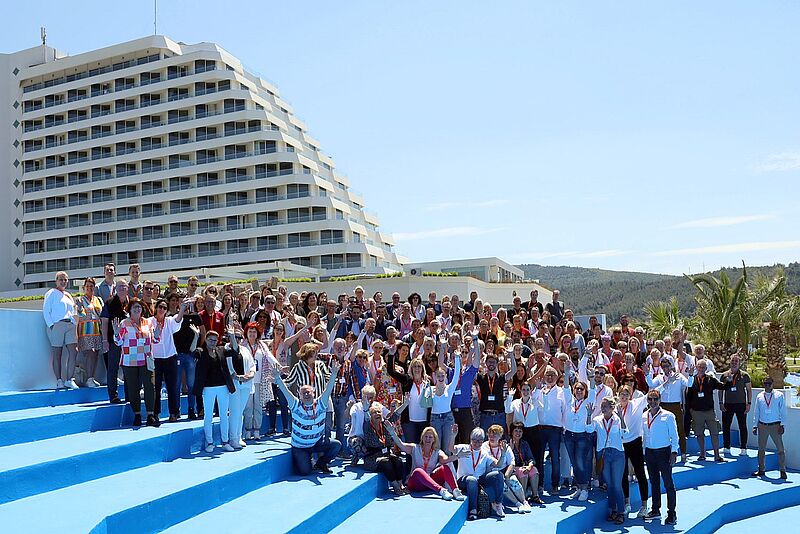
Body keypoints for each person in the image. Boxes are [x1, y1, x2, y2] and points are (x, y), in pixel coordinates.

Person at [273, 358, 342, 475]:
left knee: (336, 445)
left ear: (313, 393)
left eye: (308, 392)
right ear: (299, 396)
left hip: (316, 443)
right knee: (305, 472)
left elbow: (328, 388)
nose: (306, 394)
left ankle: (321, 462)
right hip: (300, 447)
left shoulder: (321, 403)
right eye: (303, 393)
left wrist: (334, 373)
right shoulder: (295, 405)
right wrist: (278, 378)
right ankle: (304, 460)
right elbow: (285, 391)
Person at [111, 298, 158, 427]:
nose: (137, 309)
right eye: (135, 307)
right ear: (130, 310)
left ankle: (150, 414)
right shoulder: (124, 323)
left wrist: (158, 333)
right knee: (133, 388)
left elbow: (154, 340)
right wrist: (116, 333)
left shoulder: (148, 323)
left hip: (146, 359)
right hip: (130, 360)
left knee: (150, 386)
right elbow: (118, 342)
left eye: (139, 307)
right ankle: (137, 414)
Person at [388, 424, 465, 500]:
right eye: (426, 436)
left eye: (430, 437)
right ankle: (442, 490)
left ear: (434, 439)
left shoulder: (437, 452)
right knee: (418, 471)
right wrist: (392, 432)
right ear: (422, 438)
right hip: (416, 483)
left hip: (430, 482)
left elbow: (445, 460)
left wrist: (457, 456)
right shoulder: (414, 448)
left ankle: (456, 491)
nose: (428, 439)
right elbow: (401, 445)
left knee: (445, 467)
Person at [586, 396, 629, 525]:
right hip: (603, 454)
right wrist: (589, 415)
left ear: (612, 407)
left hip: (617, 454)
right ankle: (613, 510)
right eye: (602, 406)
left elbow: (625, 433)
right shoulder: (597, 419)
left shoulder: (617, 419)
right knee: (609, 485)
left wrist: (621, 418)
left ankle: (621, 512)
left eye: (605, 406)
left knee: (616, 484)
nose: (603, 408)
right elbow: (588, 429)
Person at [194, 330, 236, 452]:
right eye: (210, 340)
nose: (213, 342)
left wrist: (232, 336)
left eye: (215, 340)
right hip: (208, 388)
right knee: (208, 416)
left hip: (223, 387)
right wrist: (197, 336)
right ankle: (210, 442)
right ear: (206, 340)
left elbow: (234, 351)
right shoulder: (201, 352)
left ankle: (225, 441)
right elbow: (192, 353)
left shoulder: (221, 350)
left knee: (224, 415)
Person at [642, 389, 680, 525]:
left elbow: (675, 436)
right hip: (650, 453)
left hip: (664, 453)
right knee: (654, 483)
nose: (652, 402)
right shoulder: (644, 415)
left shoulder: (668, 416)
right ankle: (656, 510)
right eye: (650, 399)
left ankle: (672, 513)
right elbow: (644, 436)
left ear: (660, 400)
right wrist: (643, 452)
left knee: (668, 484)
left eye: (655, 399)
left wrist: (674, 452)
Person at [645, 354, 692, 463]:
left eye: (667, 365)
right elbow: (651, 385)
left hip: (675, 406)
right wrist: (647, 374)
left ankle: (683, 453)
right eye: (663, 366)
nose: (665, 368)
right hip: (663, 405)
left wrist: (691, 375)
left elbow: (689, 384)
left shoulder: (679, 376)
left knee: (680, 430)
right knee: (663, 430)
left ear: (671, 365)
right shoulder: (660, 378)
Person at [686, 358, 732, 462]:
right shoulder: (692, 380)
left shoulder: (710, 379)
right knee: (699, 434)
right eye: (699, 367)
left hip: (709, 411)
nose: (701, 369)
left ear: (706, 368)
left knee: (714, 433)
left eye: (703, 367)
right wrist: (690, 410)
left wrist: (729, 381)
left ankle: (717, 455)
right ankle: (702, 454)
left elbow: (723, 387)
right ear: (696, 368)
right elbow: (688, 396)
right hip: (696, 412)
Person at [454, 427, 504, 520]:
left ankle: (498, 504)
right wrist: (453, 436)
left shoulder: (484, 453)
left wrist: (503, 454)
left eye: (480, 441)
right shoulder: (463, 448)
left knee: (498, 475)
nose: (477, 443)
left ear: (483, 441)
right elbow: (450, 448)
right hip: (464, 480)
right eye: (474, 440)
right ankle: (473, 510)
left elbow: (498, 464)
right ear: (470, 439)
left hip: (479, 480)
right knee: (471, 480)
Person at [151, 297, 186, 423]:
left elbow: (178, 320)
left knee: (172, 386)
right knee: (156, 387)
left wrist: (182, 309)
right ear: (156, 308)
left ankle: (174, 412)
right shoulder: (149, 322)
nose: (162, 309)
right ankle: (155, 413)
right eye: (160, 307)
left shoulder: (169, 321)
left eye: (164, 308)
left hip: (170, 357)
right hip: (155, 359)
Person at [43, 271, 79, 390]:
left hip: (70, 325)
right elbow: (46, 310)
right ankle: (59, 380)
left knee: (73, 351)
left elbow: (73, 310)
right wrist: (52, 326)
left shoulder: (68, 295)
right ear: (56, 281)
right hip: (57, 325)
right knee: (57, 354)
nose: (63, 282)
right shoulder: (51, 293)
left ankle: (69, 379)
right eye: (61, 279)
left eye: (65, 280)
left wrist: (74, 323)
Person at [484, 424, 532, 513]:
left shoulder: (505, 446)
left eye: (495, 434)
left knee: (514, 481)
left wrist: (507, 475)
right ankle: (518, 504)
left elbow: (512, 462)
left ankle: (525, 502)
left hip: (505, 470)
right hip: (492, 473)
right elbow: (494, 464)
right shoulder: (484, 447)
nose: (492, 436)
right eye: (490, 434)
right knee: (503, 485)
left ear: (500, 436)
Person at [618, 384, 650, 517]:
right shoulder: (615, 407)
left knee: (640, 473)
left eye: (627, 394)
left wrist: (666, 383)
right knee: (623, 474)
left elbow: (651, 393)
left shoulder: (637, 403)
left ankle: (644, 506)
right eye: (622, 394)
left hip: (635, 443)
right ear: (618, 395)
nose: (624, 396)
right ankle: (627, 503)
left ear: (630, 396)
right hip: (621, 445)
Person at [362, 403, 407, 493]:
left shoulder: (385, 425)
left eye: (379, 412)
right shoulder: (367, 427)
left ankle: (401, 484)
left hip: (386, 454)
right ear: (370, 416)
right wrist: (366, 410)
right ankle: (395, 486)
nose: (377, 414)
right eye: (374, 413)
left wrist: (406, 403)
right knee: (386, 463)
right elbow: (366, 419)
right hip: (373, 458)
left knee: (398, 460)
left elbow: (395, 415)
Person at [425, 343, 462, 454]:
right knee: (436, 448)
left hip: (448, 419)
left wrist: (457, 358)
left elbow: (456, 375)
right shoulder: (429, 389)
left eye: (442, 376)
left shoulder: (449, 388)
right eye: (438, 376)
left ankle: (448, 469)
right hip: (435, 419)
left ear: (445, 376)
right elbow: (424, 402)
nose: (440, 378)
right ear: (434, 376)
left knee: (447, 448)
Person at [226, 325, 257, 449]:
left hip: (246, 385)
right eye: (235, 337)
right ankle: (232, 438)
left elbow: (252, 364)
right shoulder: (227, 349)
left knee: (240, 412)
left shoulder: (245, 350)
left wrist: (251, 374)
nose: (237, 339)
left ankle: (238, 437)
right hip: (234, 385)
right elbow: (229, 367)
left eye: (239, 337)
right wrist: (238, 377)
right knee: (234, 412)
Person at [752, 376, 787, 479]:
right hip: (762, 425)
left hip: (775, 425)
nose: (767, 386)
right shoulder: (759, 396)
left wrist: (782, 424)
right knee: (761, 449)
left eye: (769, 384)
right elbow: (756, 411)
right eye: (765, 384)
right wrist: (755, 425)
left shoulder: (779, 395)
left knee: (780, 449)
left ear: (773, 384)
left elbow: (783, 410)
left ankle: (782, 470)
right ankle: (761, 469)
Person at [719, 354, 752, 456]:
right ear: (730, 362)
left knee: (742, 426)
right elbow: (721, 390)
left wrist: (749, 403)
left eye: (736, 361)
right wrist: (720, 402)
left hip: (741, 404)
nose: (734, 363)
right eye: (732, 361)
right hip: (728, 404)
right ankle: (726, 447)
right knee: (726, 426)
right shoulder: (724, 375)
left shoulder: (745, 375)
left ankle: (743, 447)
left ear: (739, 363)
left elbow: (749, 390)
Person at [476, 351, 517, 433]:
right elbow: (472, 371)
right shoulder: (481, 377)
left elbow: (513, 370)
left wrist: (511, 354)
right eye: (489, 362)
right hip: (485, 415)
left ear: (497, 364)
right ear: (486, 363)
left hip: (499, 415)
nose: (491, 364)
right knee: (484, 441)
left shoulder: (501, 377)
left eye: (494, 362)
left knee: (500, 440)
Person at [75, 277, 104, 387]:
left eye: (91, 286)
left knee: (95, 354)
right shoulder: (80, 300)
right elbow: (79, 315)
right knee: (90, 353)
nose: (89, 288)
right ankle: (89, 378)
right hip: (86, 331)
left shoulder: (98, 299)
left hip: (96, 330)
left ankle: (92, 377)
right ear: (84, 287)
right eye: (87, 286)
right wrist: (79, 309)